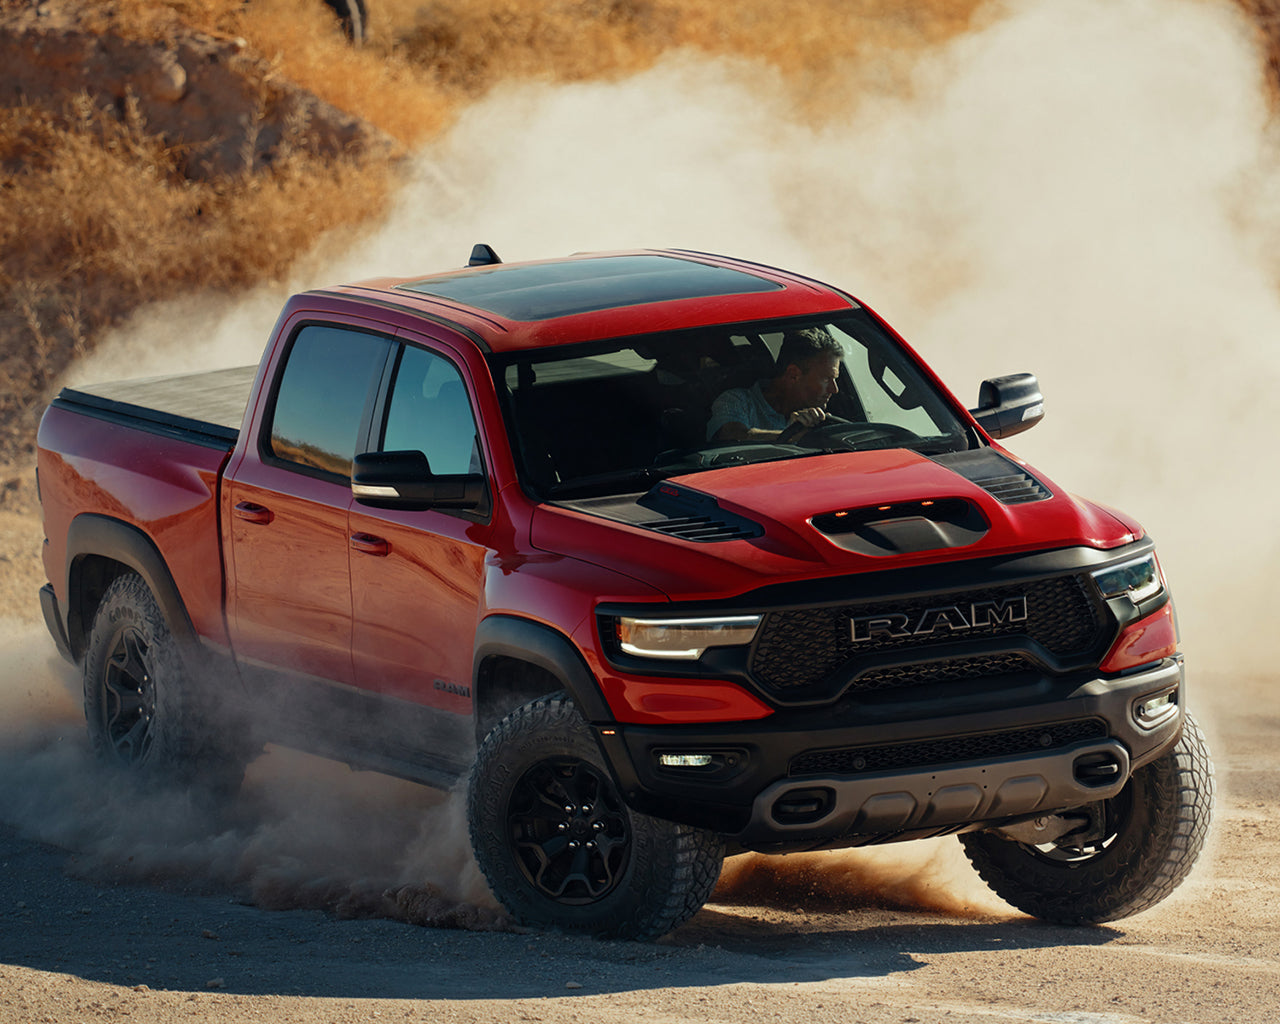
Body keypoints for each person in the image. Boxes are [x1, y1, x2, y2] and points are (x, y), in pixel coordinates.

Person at [705, 326, 843, 442]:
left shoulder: (822, 417)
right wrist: (790, 435)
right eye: (826, 379)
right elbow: (733, 437)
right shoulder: (737, 401)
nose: (834, 389)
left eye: (835, 379)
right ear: (793, 374)